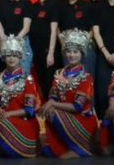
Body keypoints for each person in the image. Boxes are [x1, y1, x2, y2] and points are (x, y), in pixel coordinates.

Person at [40, 29, 99, 158]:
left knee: (53, 112)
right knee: (50, 112)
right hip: (65, 115)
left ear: (81, 54)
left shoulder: (85, 77)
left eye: (75, 52)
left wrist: (52, 104)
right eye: (69, 51)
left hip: (82, 119)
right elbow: (53, 96)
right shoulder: (59, 73)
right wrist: (51, 103)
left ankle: (79, 149)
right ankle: (63, 146)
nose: (72, 55)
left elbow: (77, 107)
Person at [0, 34, 40, 158]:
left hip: (23, 121)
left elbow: (29, 110)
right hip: (4, 119)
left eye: (15, 55)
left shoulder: (27, 79)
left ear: (20, 56)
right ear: (3, 56)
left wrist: (8, 114)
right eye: (8, 55)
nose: (11, 58)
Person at [0, 0, 33, 76]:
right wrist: (3, 38)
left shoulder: (26, 2)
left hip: (21, 42)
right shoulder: (1, 2)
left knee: (22, 75)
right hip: (5, 43)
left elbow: (26, 28)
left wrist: (14, 42)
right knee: (8, 76)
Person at [28, 0, 60, 100]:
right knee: (41, 81)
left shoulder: (53, 5)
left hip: (48, 49)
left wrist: (51, 53)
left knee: (50, 82)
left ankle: (52, 108)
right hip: (36, 49)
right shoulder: (33, 5)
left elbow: (54, 30)